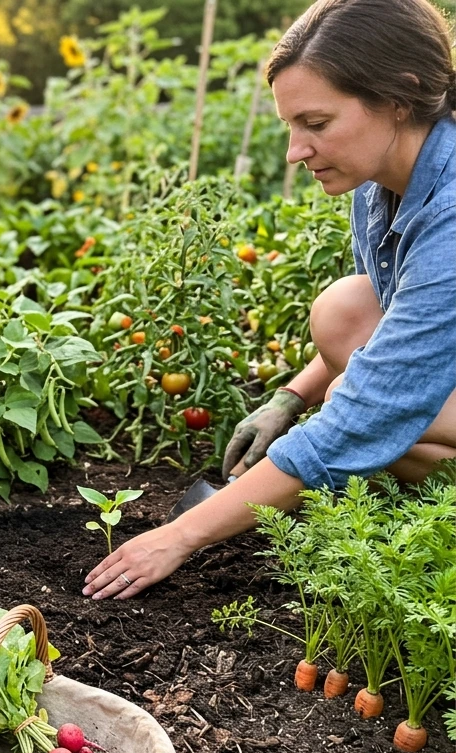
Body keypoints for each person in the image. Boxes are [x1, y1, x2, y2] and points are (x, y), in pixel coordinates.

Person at [83, 0, 456, 601]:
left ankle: (436, 514)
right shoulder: (381, 176)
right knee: (346, 309)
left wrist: (180, 536)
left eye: (316, 123)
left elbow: (371, 407)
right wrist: (287, 399)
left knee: (354, 407)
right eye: (290, 126)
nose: (295, 151)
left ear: (399, 96)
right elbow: (396, 322)